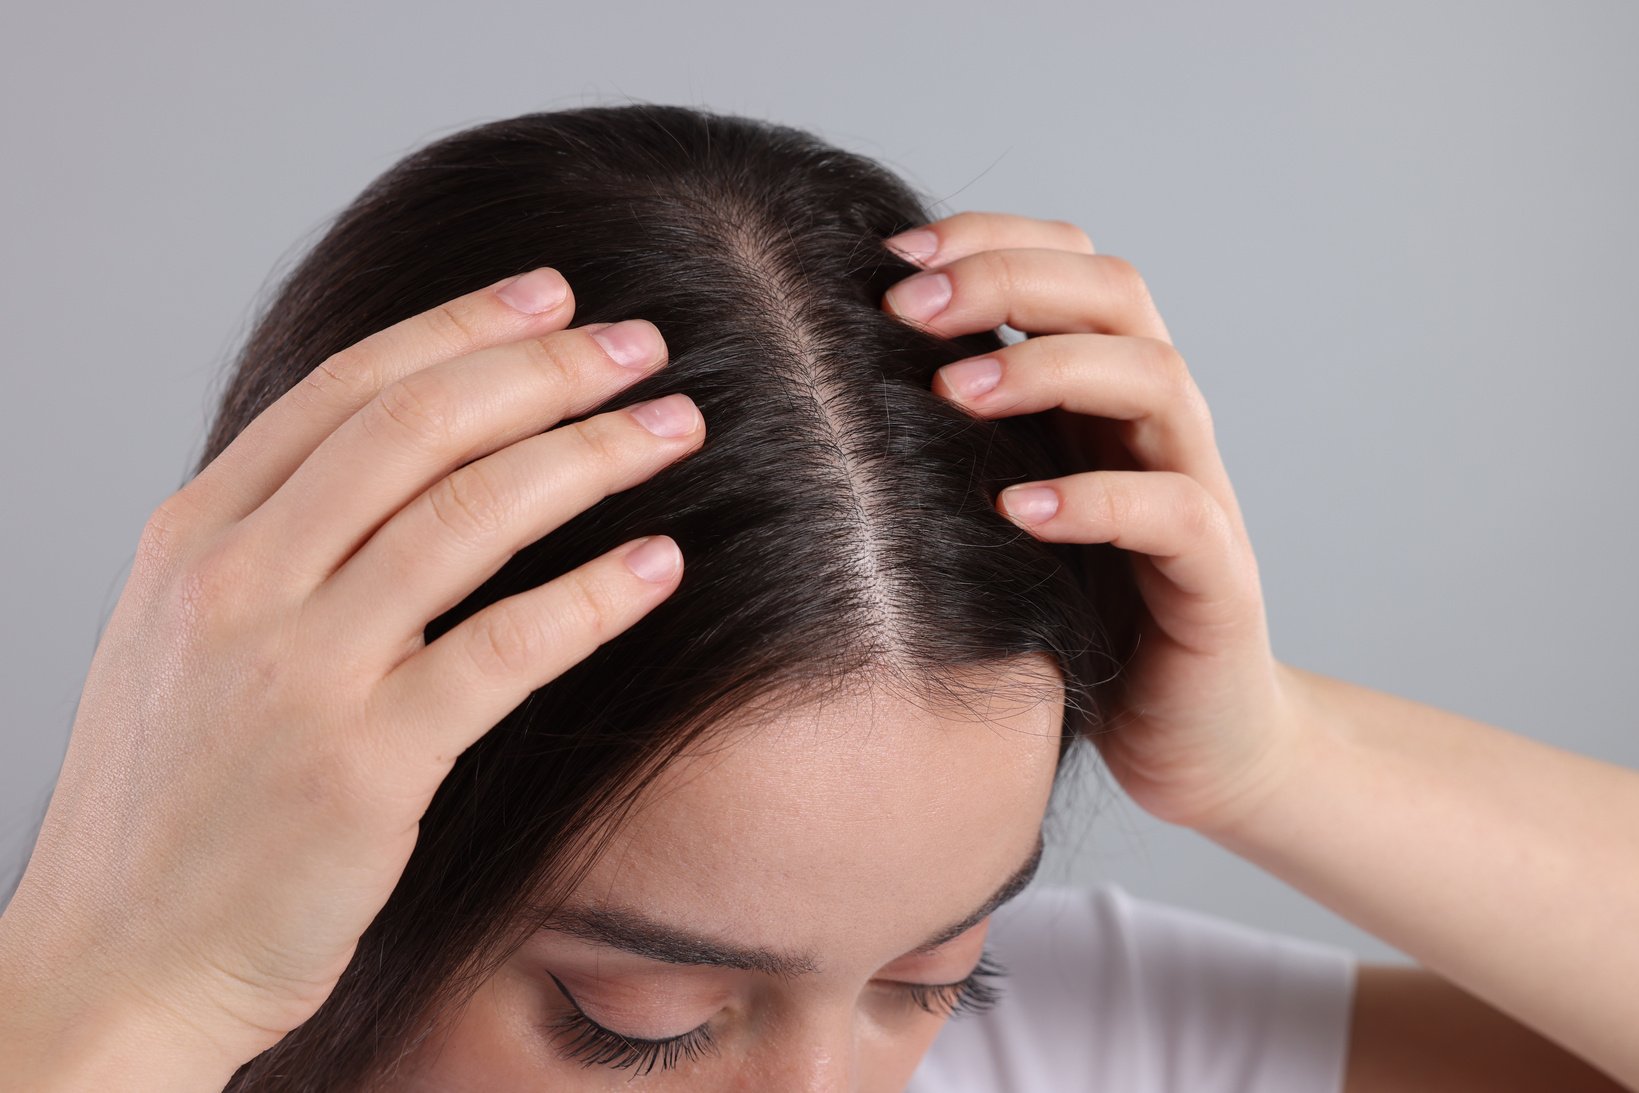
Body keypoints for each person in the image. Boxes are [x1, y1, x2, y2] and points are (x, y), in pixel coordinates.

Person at [0, 102, 1633, 1093]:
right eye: (639, 1020)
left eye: (938, 977)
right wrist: (123, 1001)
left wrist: (1274, 756)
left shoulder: (1065, 1045)